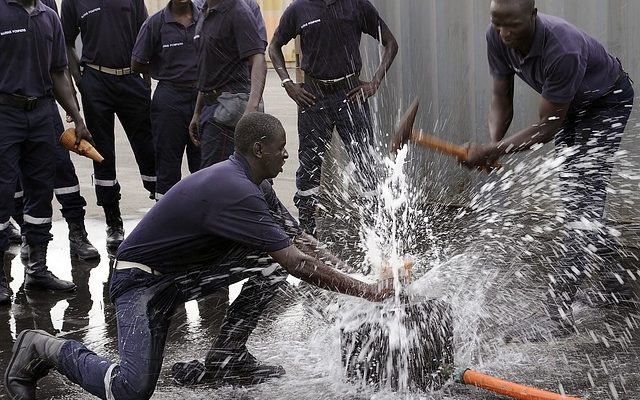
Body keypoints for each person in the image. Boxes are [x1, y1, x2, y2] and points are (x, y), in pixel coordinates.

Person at [4, 112, 393, 400]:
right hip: (138, 281)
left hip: (175, 279)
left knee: (272, 259)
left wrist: (370, 277)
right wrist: (370, 293)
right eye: (281, 149)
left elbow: (302, 244)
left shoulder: (256, 184)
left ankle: (228, 354)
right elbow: (299, 264)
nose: (286, 155)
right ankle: (42, 346)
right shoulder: (236, 190)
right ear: (259, 149)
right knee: (129, 389)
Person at [463, 0, 635, 340]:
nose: (504, 33)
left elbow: (548, 128)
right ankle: (617, 285)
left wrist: (494, 150)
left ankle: (556, 317)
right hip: (571, 106)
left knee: (581, 209)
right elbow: (501, 98)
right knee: (578, 201)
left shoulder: (563, 48)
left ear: (533, 15)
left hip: (606, 103)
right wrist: (493, 147)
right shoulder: (496, 36)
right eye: (497, 24)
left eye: (511, 25)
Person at [269, 0, 398, 236]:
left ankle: (376, 233)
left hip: (350, 94)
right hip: (313, 97)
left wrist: (375, 82)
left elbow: (391, 43)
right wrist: (288, 84)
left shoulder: (357, 5)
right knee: (309, 165)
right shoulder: (299, 9)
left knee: (365, 162)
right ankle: (307, 234)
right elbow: (274, 47)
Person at [0, 0, 92, 303]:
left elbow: (58, 72)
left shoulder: (49, 17)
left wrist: (76, 117)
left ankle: (37, 269)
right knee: (2, 192)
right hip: (5, 113)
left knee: (40, 191)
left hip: (41, 113)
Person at [61, 0, 156, 250]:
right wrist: (81, 82)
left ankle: (161, 212)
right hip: (96, 82)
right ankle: (113, 222)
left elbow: (144, 32)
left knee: (149, 150)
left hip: (132, 80)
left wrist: (145, 79)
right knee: (102, 154)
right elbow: (66, 42)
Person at [131, 0, 202, 200]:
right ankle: (167, 222)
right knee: (168, 164)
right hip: (169, 99)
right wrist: (163, 70)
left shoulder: (205, 19)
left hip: (203, 97)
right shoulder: (155, 23)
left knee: (203, 164)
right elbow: (136, 63)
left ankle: (203, 220)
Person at [189, 0, 267, 169]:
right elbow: (208, 68)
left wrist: (251, 109)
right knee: (221, 175)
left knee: (218, 176)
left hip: (229, 107)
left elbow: (258, 58)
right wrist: (198, 112)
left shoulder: (238, 11)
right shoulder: (205, 11)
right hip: (211, 106)